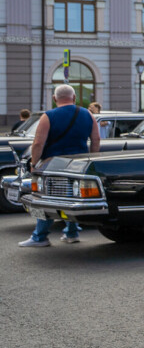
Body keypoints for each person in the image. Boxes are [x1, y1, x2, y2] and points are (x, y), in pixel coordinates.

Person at [18, 85, 101, 247]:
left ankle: (39, 237)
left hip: (53, 164)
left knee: (44, 200)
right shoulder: (87, 114)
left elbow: (38, 143)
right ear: (74, 97)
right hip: (79, 164)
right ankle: (71, 233)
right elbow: (96, 139)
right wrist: (92, 158)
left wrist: (34, 164)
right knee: (71, 197)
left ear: (54, 99)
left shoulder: (48, 116)